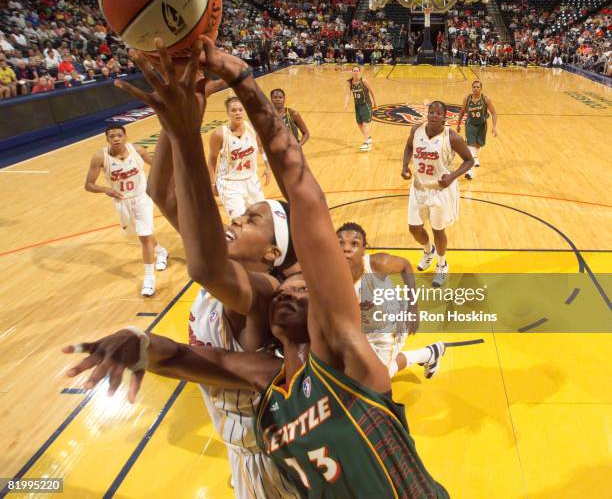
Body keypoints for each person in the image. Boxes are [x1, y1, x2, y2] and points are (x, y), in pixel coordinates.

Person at [65, 36, 450, 498]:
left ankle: (427, 354)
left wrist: (242, 83)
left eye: (302, 288)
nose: (289, 292)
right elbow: (187, 354)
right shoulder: (270, 379)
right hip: (252, 461)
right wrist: (138, 343)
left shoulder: (345, 356)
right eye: (291, 289)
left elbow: (300, 193)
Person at [113, 46, 300, 498]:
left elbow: (205, 269)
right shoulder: (228, 260)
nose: (236, 219)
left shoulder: (262, 292)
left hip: (272, 461)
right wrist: (172, 116)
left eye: (251, 219)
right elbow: (162, 191)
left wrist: (186, 129)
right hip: (243, 451)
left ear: (273, 252)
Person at [337, 221, 446, 378]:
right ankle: (429, 353)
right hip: (362, 326)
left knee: (379, 377)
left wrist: (413, 307)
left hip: (390, 329)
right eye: (340, 243)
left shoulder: (378, 264)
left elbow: (406, 266)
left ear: (363, 250)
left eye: (354, 243)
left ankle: (428, 354)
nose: (346, 248)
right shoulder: (329, 273)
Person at [84, 125, 169, 296]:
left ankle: (149, 279)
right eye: (112, 136)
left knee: (144, 237)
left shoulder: (137, 150)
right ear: (107, 138)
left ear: (125, 137)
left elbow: (158, 165)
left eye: (119, 135)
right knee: (138, 234)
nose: (116, 138)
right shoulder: (100, 157)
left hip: (141, 197)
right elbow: (88, 185)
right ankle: (160, 251)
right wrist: (105, 189)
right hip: (122, 201)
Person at [401, 101, 474, 287]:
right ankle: (428, 251)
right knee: (414, 229)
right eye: (431, 112)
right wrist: (404, 166)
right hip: (418, 187)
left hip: (440, 191)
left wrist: (452, 176)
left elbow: (469, 161)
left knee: (437, 230)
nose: (434, 115)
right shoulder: (416, 130)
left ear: (444, 116)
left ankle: (442, 265)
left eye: (438, 113)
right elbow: (409, 147)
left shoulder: (452, 137)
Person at [208, 96, 271, 220]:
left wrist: (267, 166)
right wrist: (212, 184)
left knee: (262, 219)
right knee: (240, 222)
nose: (238, 113)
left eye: (240, 110)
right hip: (230, 184)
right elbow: (212, 159)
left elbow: (260, 146)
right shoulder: (219, 134)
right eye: (234, 110)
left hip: (252, 179)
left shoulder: (253, 128)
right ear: (228, 113)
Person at [456, 80, 498, 180]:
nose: (475, 88)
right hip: (470, 124)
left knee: (478, 144)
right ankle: (469, 171)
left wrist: (494, 127)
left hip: (482, 124)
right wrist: (458, 124)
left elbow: (494, 113)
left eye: (477, 87)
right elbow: (462, 112)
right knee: (470, 144)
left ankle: (475, 157)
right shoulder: (467, 98)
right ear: (472, 88)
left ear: (481, 88)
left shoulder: (486, 99)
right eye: (474, 87)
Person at [344, 65, 377, 151]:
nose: (355, 72)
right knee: (359, 124)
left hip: (366, 104)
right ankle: (368, 138)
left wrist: (375, 102)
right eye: (354, 71)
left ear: (359, 72)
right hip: (357, 105)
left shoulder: (364, 81)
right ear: (352, 72)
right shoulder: (349, 82)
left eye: (357, 71)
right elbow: (348, 94)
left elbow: (372, 91)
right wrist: (346, 104)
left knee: (365, 123)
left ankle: (366, 143)